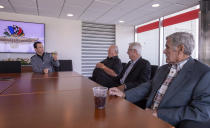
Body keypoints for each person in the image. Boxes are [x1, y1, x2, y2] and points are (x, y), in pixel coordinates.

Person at [109, 32, 210, 126]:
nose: (164, 51)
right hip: (146, 117)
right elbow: (148, 87)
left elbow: (201, 111)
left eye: (167, 47)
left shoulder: (203, 73)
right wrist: (124, 94)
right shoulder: (163, 69)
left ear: (181, 49)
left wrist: (159, 114)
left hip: (167, 122)